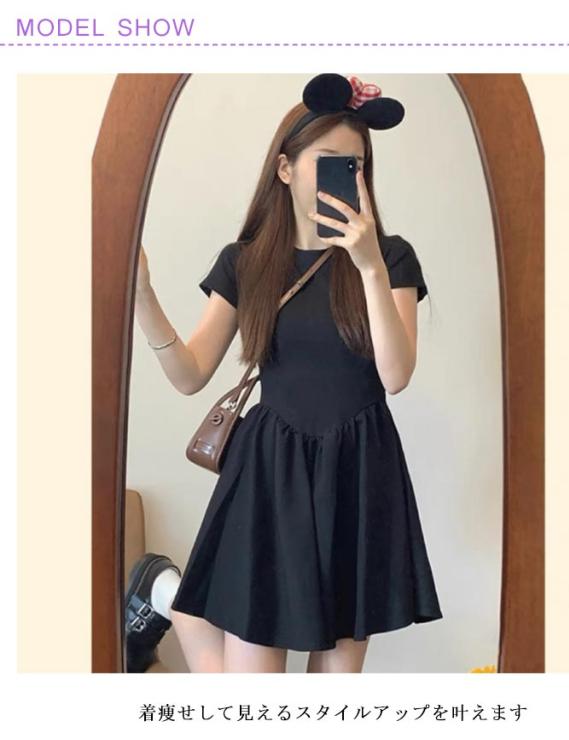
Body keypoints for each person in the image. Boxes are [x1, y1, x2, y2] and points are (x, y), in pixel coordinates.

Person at [127, 73, 443, 674]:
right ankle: (175, 604)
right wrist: (142, 294)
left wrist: (369, 266)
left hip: (358, 472)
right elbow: (190, 373)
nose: (348, 178)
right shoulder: (247, 262)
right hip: (270, 475)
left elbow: (396, 375)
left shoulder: (391, 257)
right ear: (285, 169)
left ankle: (170, 599)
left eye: (356, 166)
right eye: (330, 162)